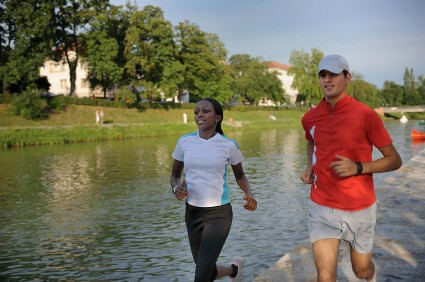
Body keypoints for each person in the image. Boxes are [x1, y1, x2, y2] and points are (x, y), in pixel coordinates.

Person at [300, 54, 402, 282]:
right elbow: (311, 140)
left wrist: (358, 167)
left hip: (359, 208)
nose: (327, 79)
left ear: (347, 78)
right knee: (325, 276)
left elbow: (395, 159)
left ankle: (370, 277)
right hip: (322, 207)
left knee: (361, 271)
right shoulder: (310, 118)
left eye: (333, 74)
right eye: (323, 75)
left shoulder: (366, 115)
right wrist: (310, 166)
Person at [170, 98, 257, 282]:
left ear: (217, 117)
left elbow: (240, 176)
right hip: (192, 213)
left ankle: (234, 271)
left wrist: (249, 194)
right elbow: (175, 176)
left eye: (205, 111)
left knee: (201, 275)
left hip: (219, 214)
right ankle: (234, 271)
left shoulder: (228, 145)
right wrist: (176, 188)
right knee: (206, 270)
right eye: (196, 111)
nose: (199, 114)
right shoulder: (184, 142)